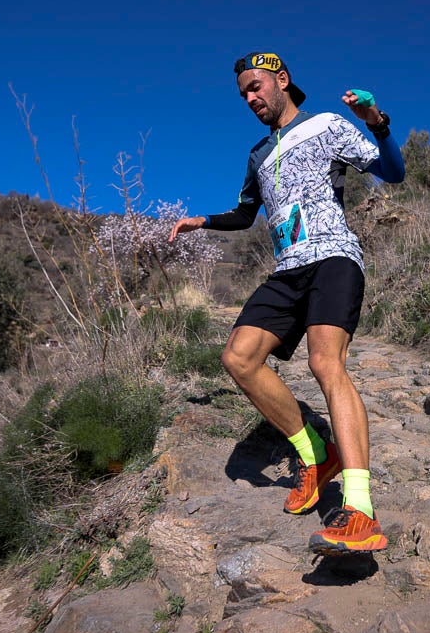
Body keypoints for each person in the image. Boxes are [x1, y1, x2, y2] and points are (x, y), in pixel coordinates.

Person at [169, 52, 404, 556]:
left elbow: (393, 172)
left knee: (325, 362)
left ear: (282, 80)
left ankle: (359, 508)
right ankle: (315, 453)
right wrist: (202, 222)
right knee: (238, 357)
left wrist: (377, 123)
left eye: (256, 87)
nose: (250, 98)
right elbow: (246, 215)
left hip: (334, 257)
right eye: (243, 94)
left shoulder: (326, 125)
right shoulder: (257, 155)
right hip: (287, 269)